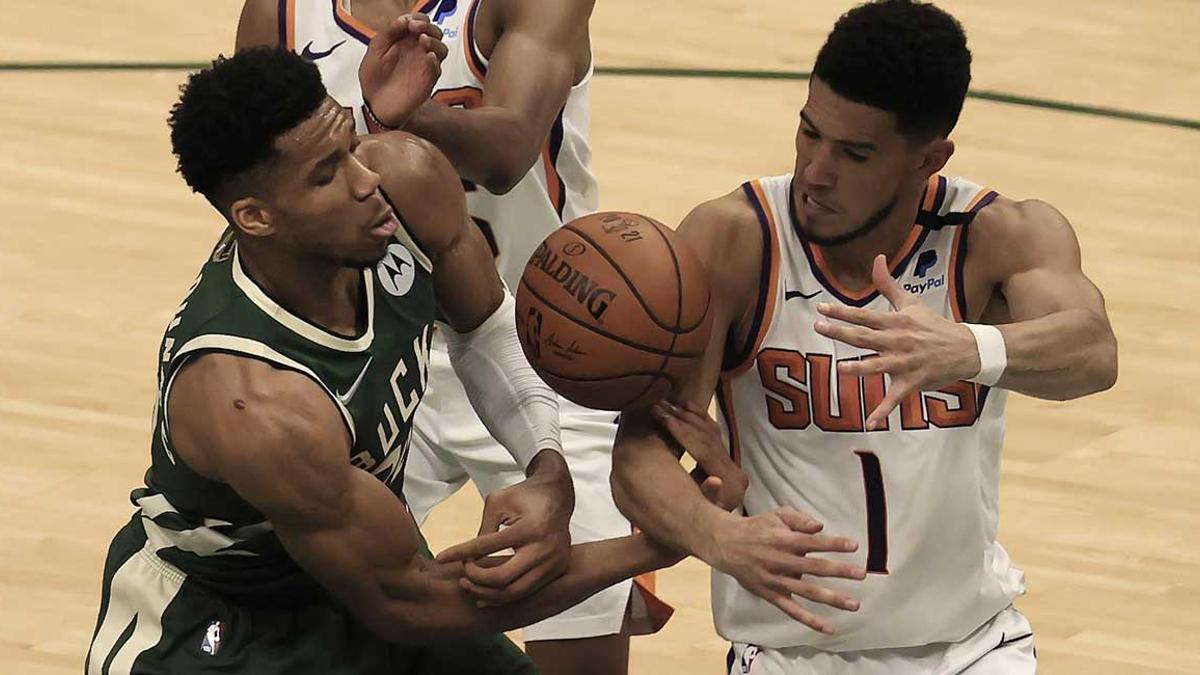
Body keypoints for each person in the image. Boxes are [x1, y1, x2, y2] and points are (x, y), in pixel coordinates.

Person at [85, 36, 684, 675]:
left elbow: (483, 326)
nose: (366, 179)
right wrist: (652, 544)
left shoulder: (404, 179)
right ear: (256, 218)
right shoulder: (252, 400)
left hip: (355, 569)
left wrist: (546, 466)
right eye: (327, 174)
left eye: (347, 146)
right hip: (222, 630)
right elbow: (414, 604)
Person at [611, 1, 1119, 673]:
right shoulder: (734, 241)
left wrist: (971, 350)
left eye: (854, 153)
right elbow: (638, 453)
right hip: (791, 653)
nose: (817, 171)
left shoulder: (993, 236)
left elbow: (1093, 350)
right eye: (809, 133)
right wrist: (722, 536)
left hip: (970, 650)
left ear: (928, 158)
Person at [234, 3, 664, 674]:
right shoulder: (280, 13)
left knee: (580, 647)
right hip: (372, 342)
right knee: (302, 601)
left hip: (543, 335)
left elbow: (509, 148)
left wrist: (408, 113)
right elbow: (247, 181)